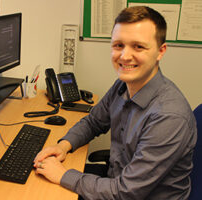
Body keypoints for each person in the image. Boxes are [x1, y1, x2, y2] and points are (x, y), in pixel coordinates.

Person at [33, 6, 197, 200]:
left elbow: (126, 192)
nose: (125, 56)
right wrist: (63, 146)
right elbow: (94, 122)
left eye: (138, 46)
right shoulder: (124, 84)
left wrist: (62, 175)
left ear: (161, 51)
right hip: (117, 179)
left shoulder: (169, 117)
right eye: (118, 45)